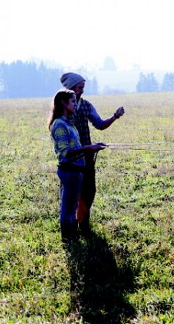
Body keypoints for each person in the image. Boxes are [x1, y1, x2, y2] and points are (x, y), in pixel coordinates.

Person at [60, 72, 125, 235]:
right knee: (72, 195)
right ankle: (70, 229)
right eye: (79, 88)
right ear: (70, 88)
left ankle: (83, 224)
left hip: (87, 157)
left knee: (89, 191)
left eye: (83, 88)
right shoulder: (61, 112)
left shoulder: (86, 105)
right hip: (71, 159)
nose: (82, 91)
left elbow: (100, 124)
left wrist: (115, 116)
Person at [48, 89, 107, 242]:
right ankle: (68, 238)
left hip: (76, 170)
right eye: (73, 101)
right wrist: (88, 148)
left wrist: (93, 147)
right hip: (70, 171)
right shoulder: (60, 125)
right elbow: (66, 152)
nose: (75, 104)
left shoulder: (68, 122)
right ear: (63, 103)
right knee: (68, 208)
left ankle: (72, 235)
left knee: (72, 206)